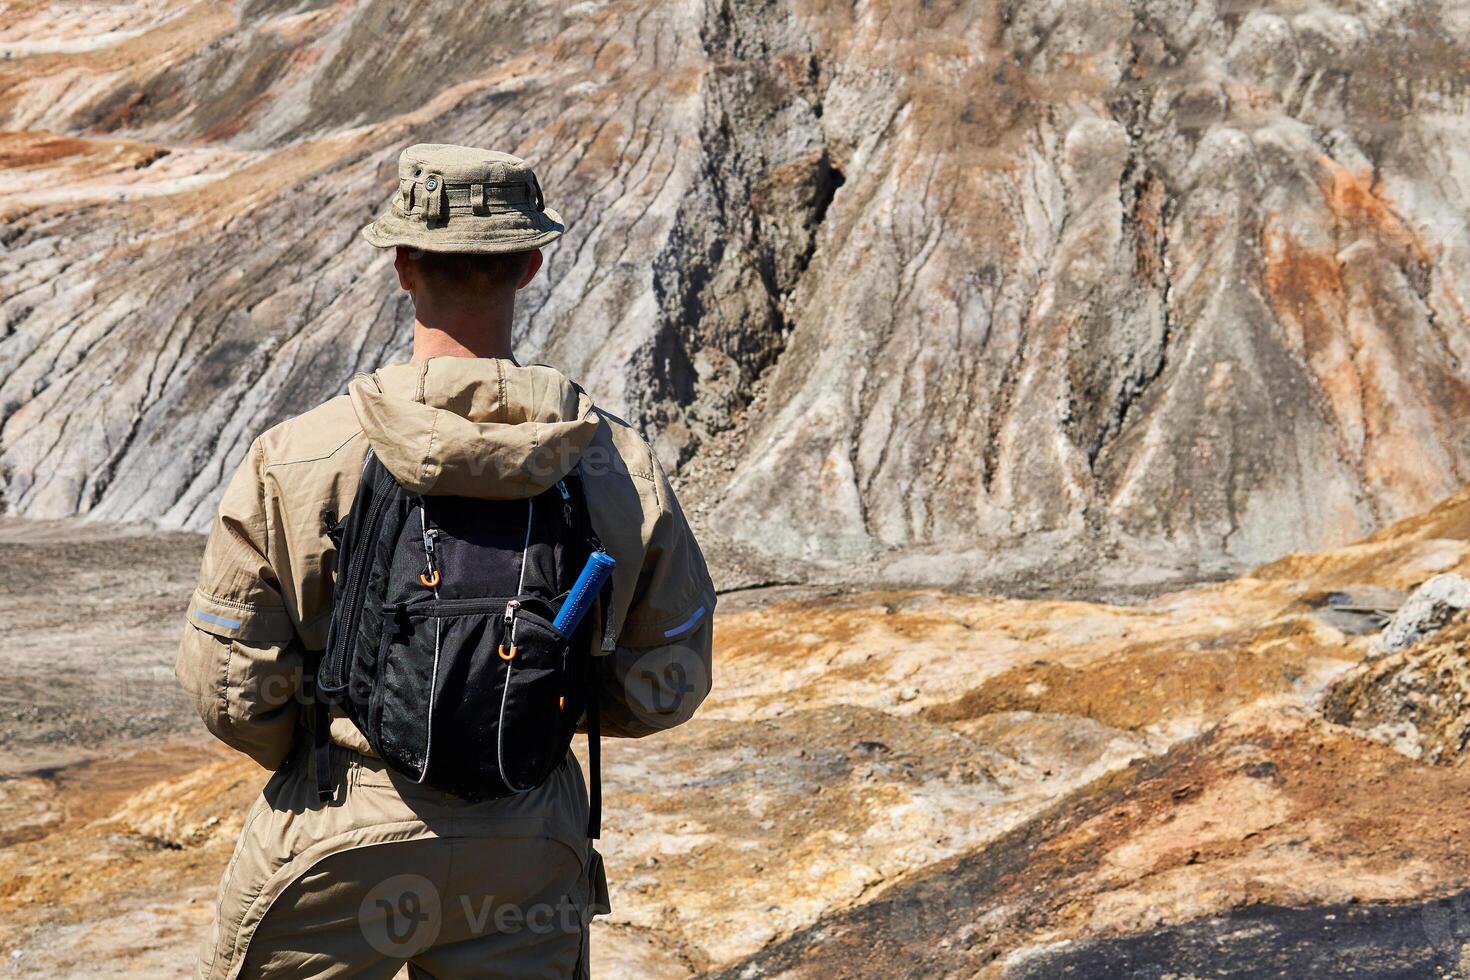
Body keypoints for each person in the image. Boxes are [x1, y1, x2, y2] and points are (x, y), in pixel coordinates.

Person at [176, 144, 716, 979]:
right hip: (529, 847)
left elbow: (233, 687)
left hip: (336, 835)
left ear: (402, 266)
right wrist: (529, 707)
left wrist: (343, 745)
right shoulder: (616, 464)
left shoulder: (298, 456)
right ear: (530, 266)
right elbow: (664, 679)